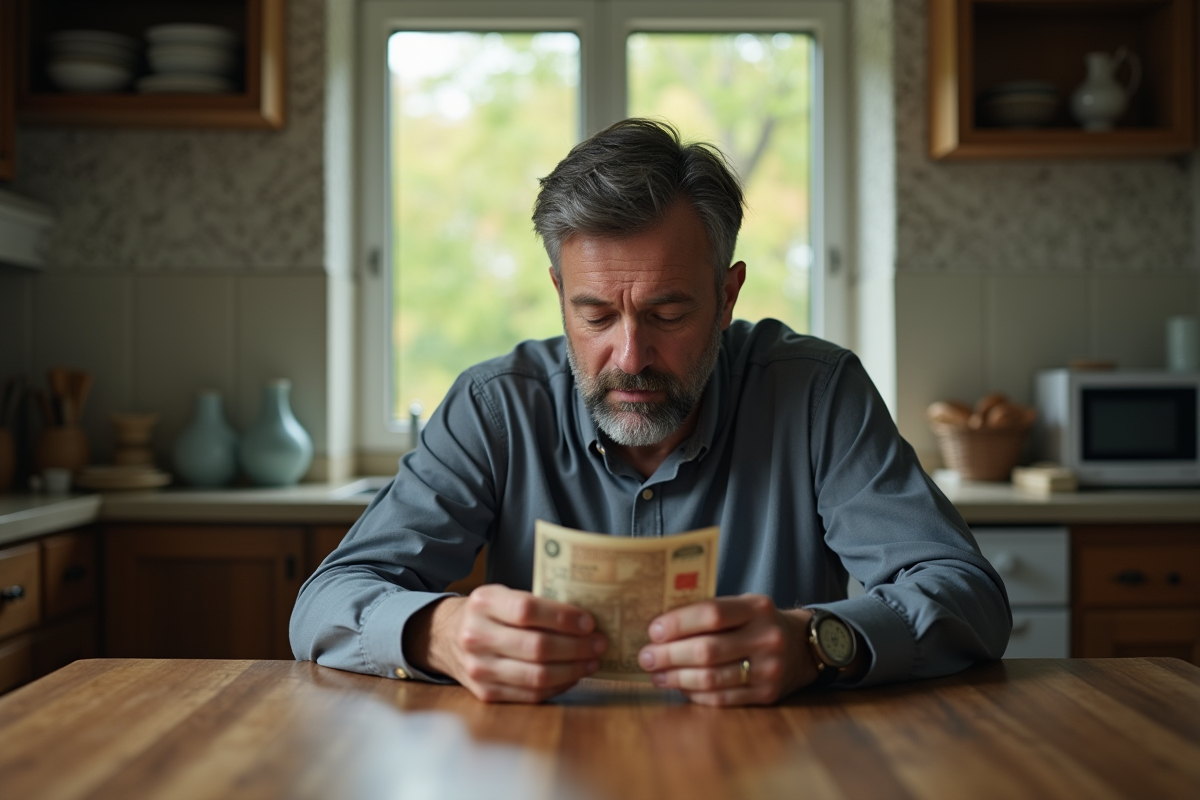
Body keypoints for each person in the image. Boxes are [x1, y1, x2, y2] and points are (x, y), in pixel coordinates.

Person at [291, 118, 1011, 706]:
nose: (630, 356)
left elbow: (968, 597)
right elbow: (325, 601)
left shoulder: (817, 394)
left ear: (728, 297)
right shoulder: (495, 407)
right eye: (596, 315)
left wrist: (817, 641)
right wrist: (434, 633)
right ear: (558, 295)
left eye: (668, 312)